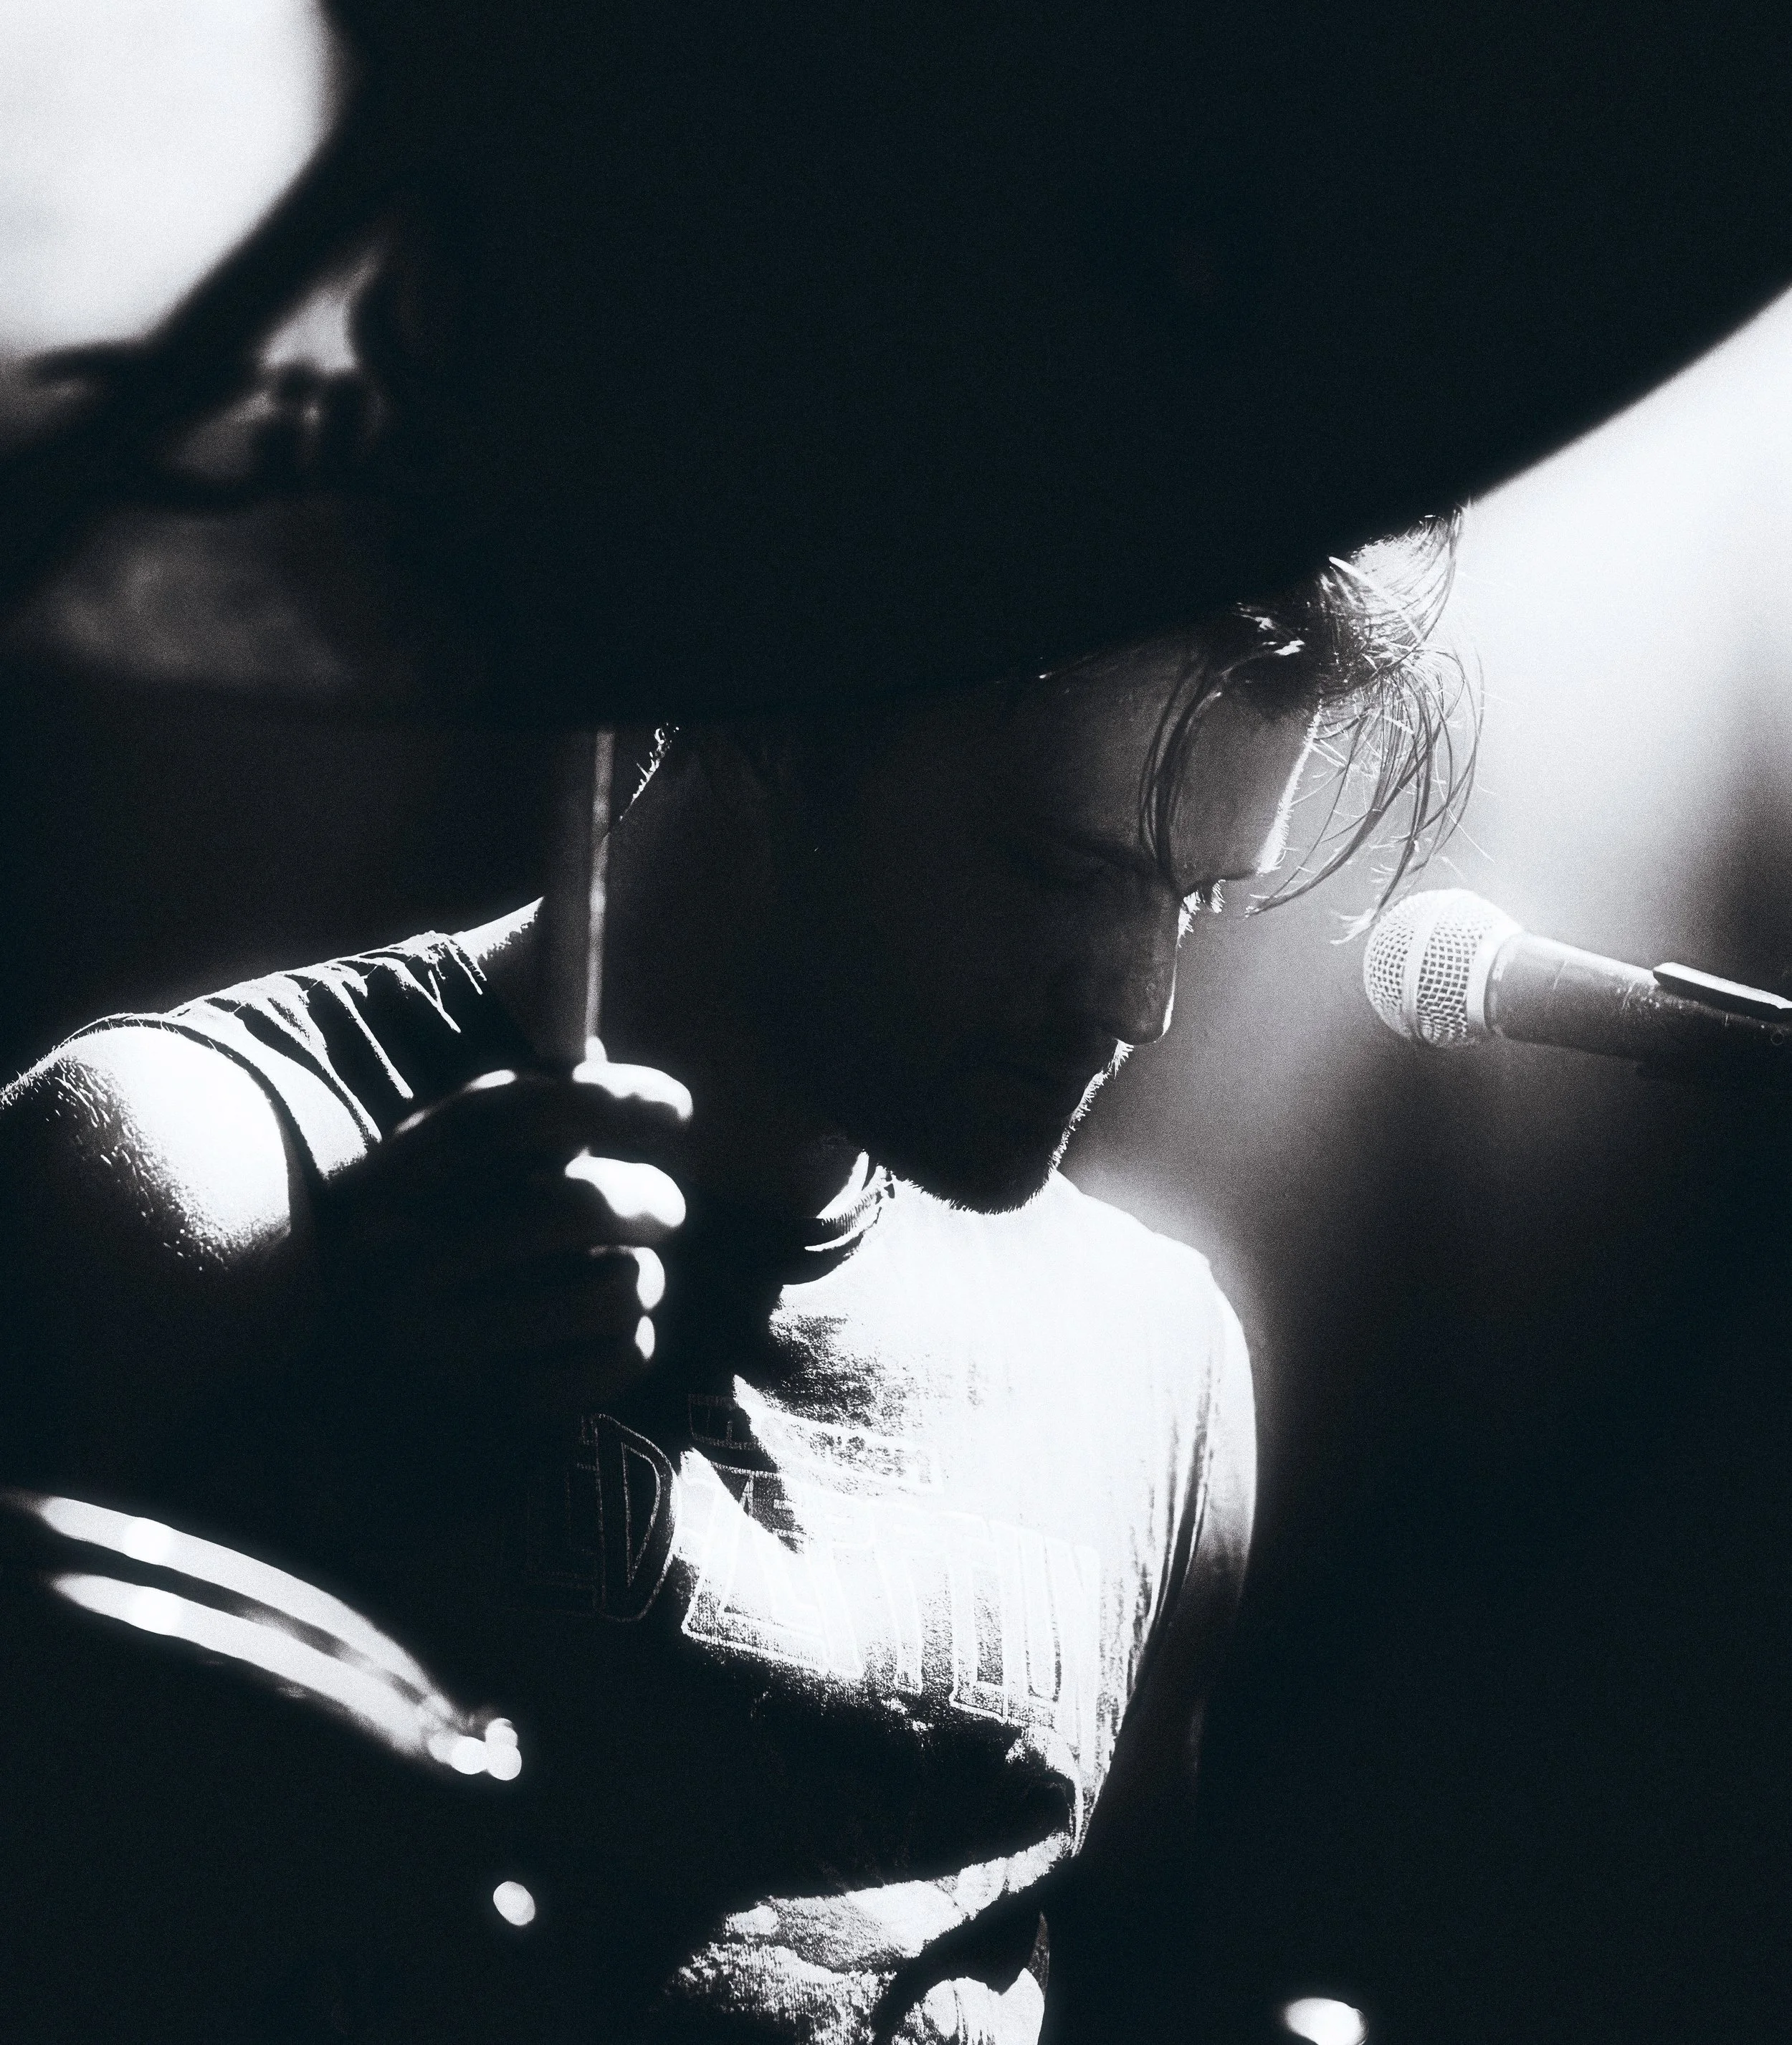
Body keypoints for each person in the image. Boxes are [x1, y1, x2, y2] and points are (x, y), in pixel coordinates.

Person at [0, 521, 1467, 2042]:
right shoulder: (208, 1177)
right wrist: (315, 1484)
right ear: (779, 701)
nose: (1137, 999)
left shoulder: (1154, 1366)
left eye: (1196, 899)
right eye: (1060, 866)